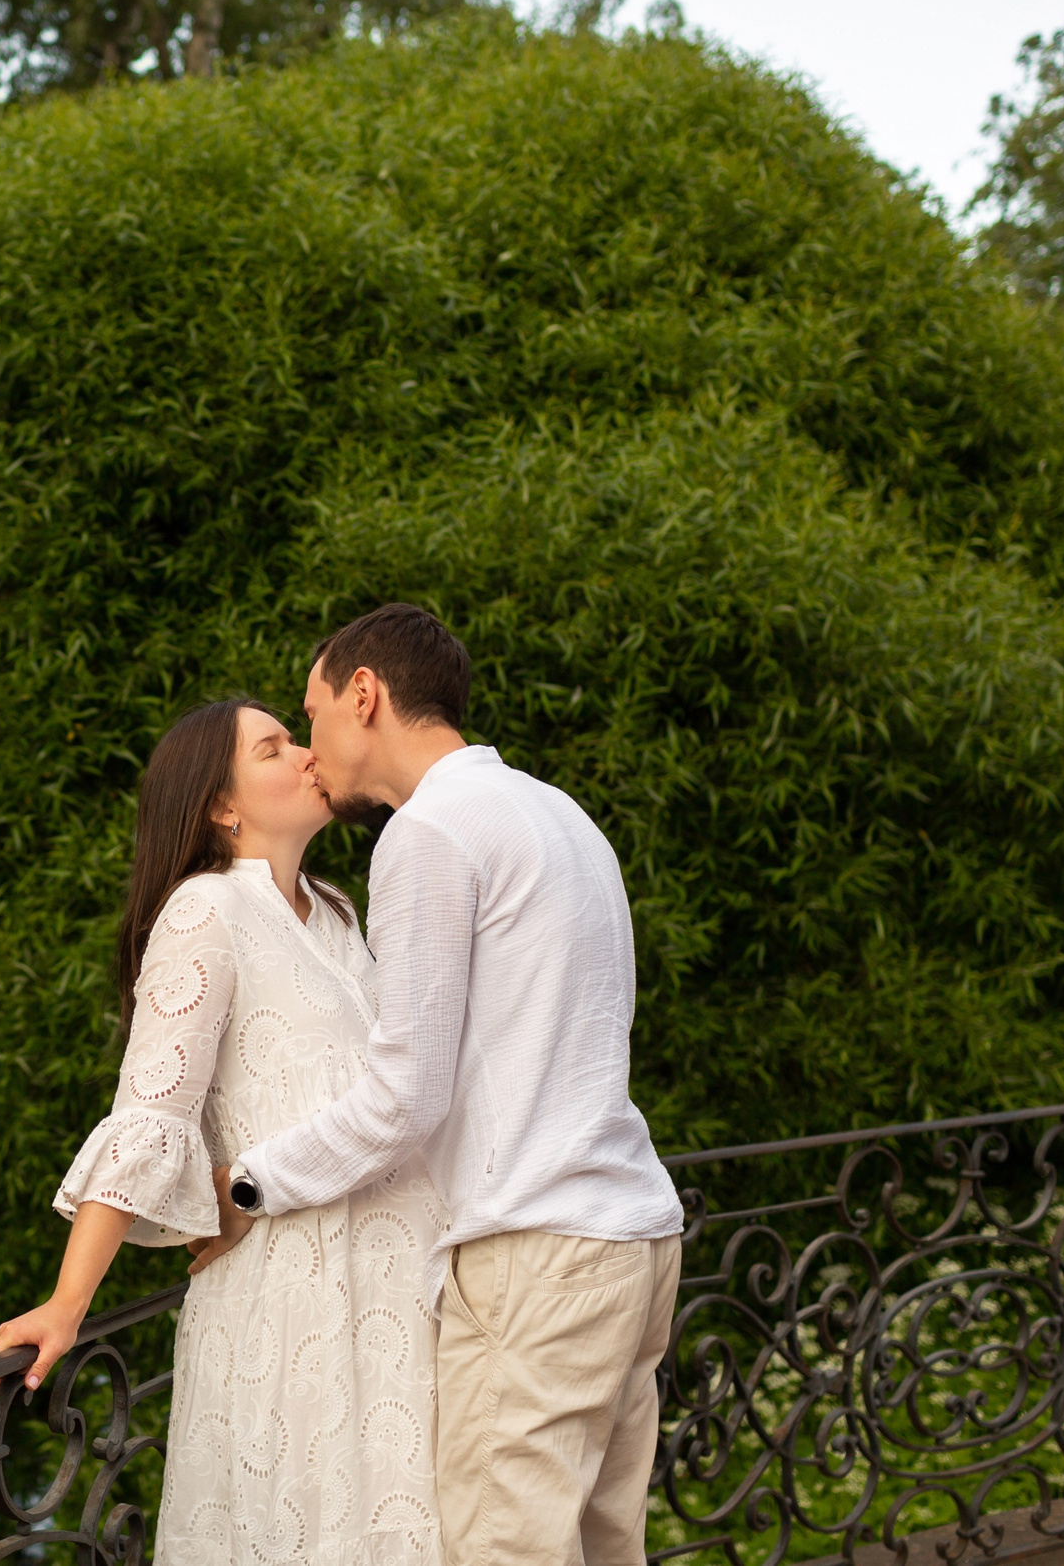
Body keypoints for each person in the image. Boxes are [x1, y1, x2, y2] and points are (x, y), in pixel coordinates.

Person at [211, 603, 685, 1566]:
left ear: (364, 694)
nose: (310, 750)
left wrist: (249, 1184)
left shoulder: (429, 834)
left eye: (312, 714)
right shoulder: (558, 813)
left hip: (537, 1258)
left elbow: (405, 1096)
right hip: (633, 1239)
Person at [0, 698, 447, 1566]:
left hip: (400, 1292)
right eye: (273, 749)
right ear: (222, 807)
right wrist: (67, 1304)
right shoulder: (204, 911)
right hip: (298, 1300)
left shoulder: (335, 911)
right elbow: (150, 1112)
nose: (306, 755)